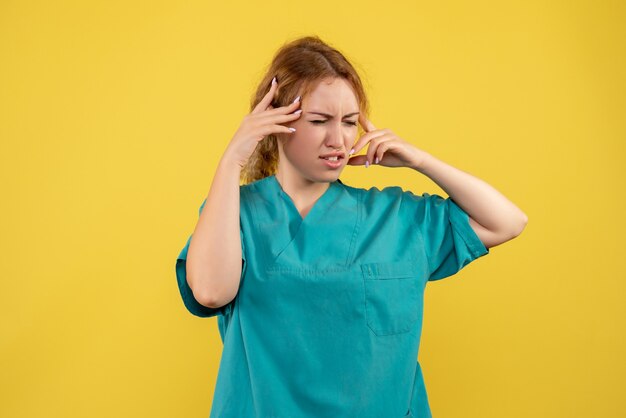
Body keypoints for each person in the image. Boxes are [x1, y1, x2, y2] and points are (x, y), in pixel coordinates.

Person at [175, 35, 528, 418]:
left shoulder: (395, 216)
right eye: (319, 121)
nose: (339, 140)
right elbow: (210, 292)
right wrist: (231, 161)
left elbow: (507, 221)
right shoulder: (235, 212)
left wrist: (421, 162)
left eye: (348, 122)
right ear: (274, 122)